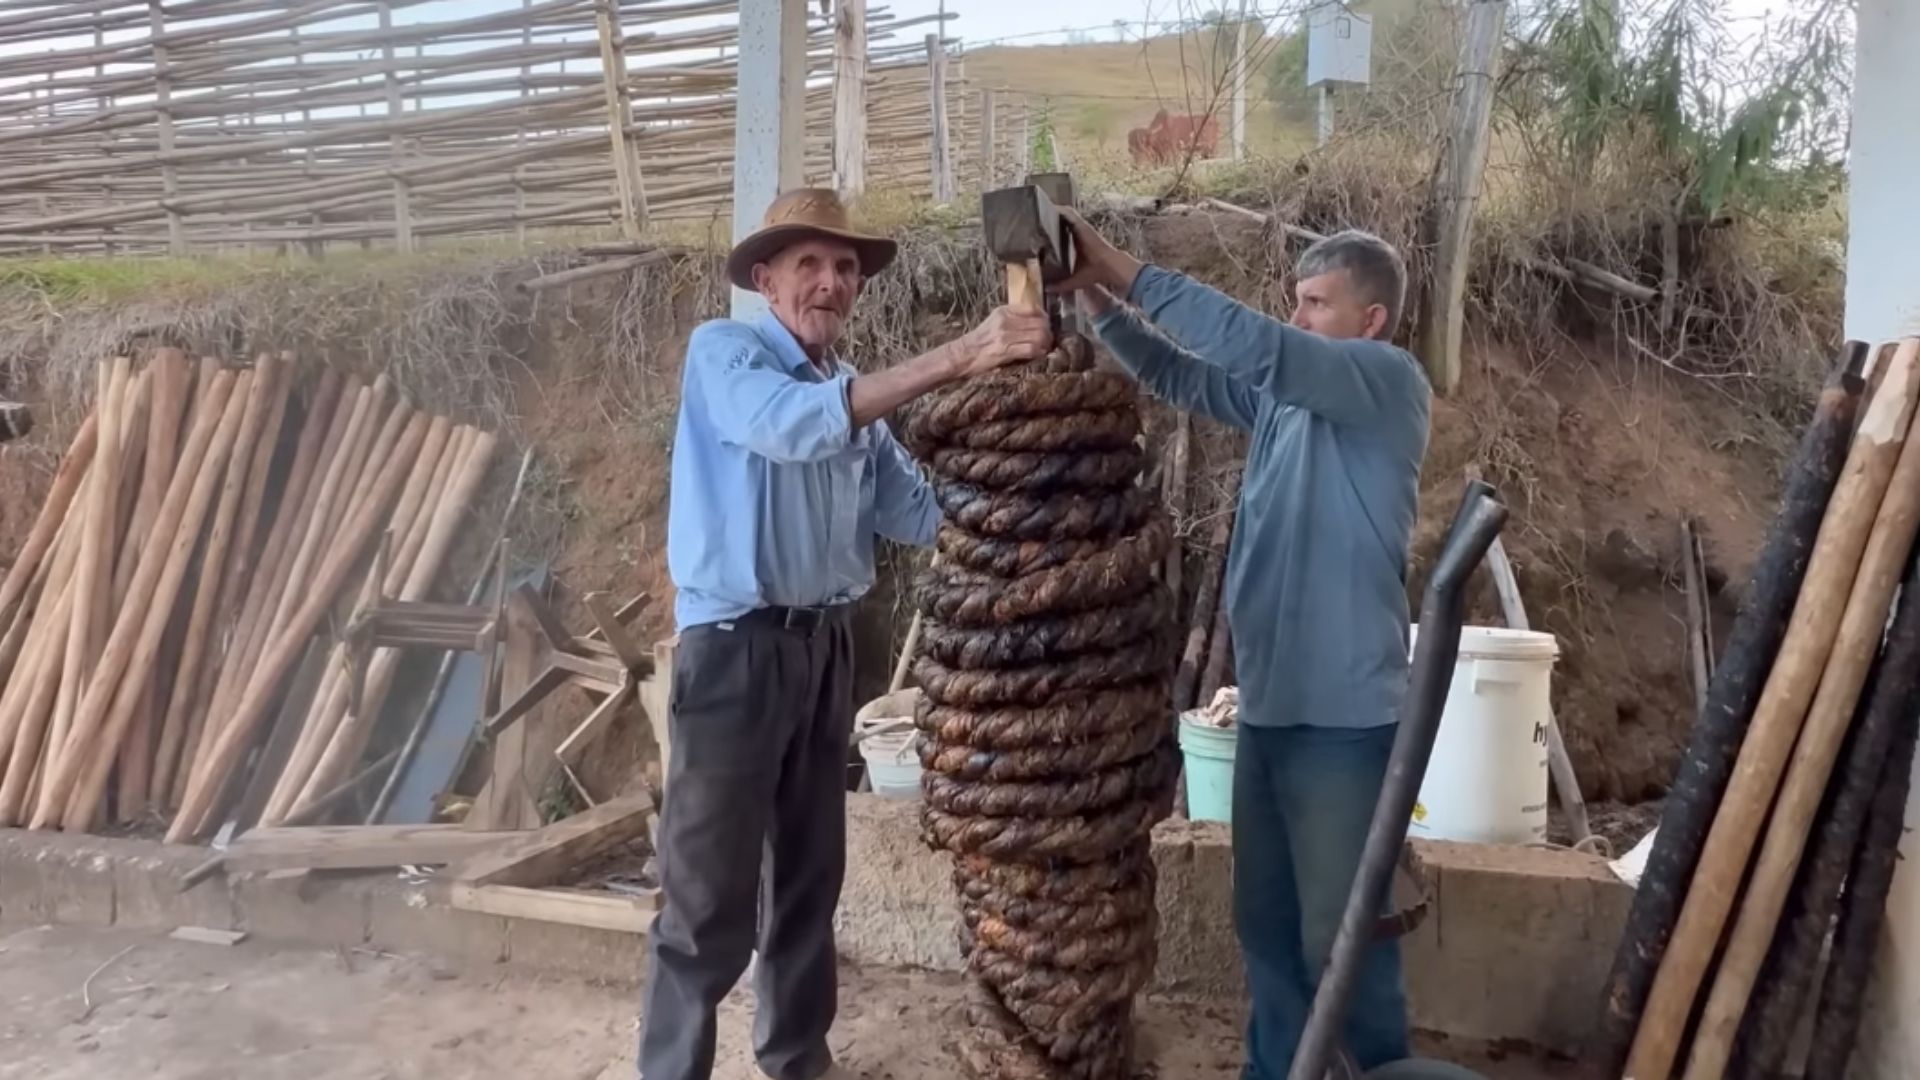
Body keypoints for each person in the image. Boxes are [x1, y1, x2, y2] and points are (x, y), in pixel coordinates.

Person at [639, 188, 1051, 1080]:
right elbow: (786, 430)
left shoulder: (845, 391)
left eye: (846, 269)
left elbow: (919, 510)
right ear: (766, 278)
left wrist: (1029, 486)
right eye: (810, 266)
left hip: (825, 651)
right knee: (706, 900)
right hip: (734, 653)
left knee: (808, 880)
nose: (830, 284)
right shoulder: (728, 355)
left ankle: (796, 1059)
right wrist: (961, 354)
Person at [1056, 211, 1432, 1078]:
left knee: (1348, 939)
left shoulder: (1385, 381)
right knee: (1265, 927)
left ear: (1369, 321)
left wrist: (1127, 267)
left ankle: (1379, 1069)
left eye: (1315, 303)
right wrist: (1102, 302)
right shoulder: (1284, 402)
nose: (1296, 317)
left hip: (1344, 722)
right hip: (1270, 713)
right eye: (1294, 302)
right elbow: (1179, 375)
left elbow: (1259, 347)